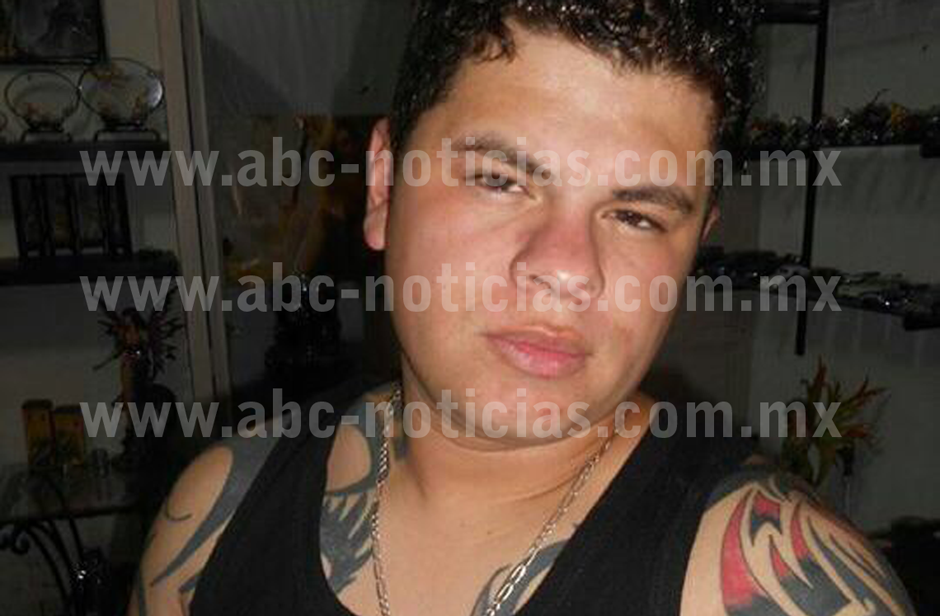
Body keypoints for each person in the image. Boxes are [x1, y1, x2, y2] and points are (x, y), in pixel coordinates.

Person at [130, 1, 917, 615]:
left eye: (636, 215)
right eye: (501, 180)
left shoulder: (784, 589)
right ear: (384, 186)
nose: (565, 270)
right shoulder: (215, 518)